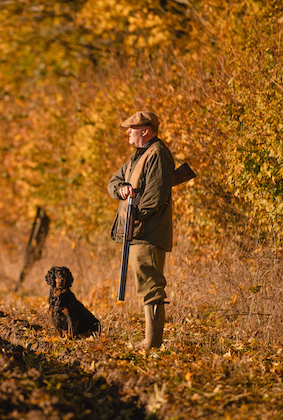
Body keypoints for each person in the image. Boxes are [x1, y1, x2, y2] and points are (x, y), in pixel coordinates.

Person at [107, 111, 175, 351]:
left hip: (147, 232)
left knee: (150, 285)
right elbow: (113, 182)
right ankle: (149, 340)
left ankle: (152, 343)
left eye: (132, 127)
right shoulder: (139, 155)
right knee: (145, 284)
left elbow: (155, 199)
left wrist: (135, 218)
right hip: (137, 231)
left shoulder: (157, 154)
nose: (128, 131)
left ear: (145, 130)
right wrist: (123, 189)